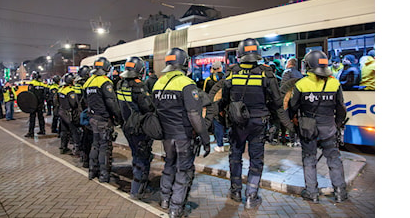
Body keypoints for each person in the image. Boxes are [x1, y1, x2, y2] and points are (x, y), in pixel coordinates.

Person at [219, 38, 293, 209]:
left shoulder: (231, 72)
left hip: (237, 123)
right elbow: (277, 102)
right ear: (258, 53)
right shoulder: (266, 73)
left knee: (235, 157)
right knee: (256, 159)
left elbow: (223, 99)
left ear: (240, 53)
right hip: (259, 122)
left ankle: (235, 191)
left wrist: (222, 118)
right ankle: (251, 196)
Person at [153, 47, 210, 218]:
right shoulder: (186, 83)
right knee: (183, 171)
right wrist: (205, 138)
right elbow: (194, 115)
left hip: (166, 136)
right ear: (184, 63)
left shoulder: (158, 82)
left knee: (169, 165)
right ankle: (176, 208)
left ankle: (164, 199)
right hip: (183, 136)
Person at [290, 50, 348, 203]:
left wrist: (295, 125)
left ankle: (312, 192)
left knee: (309, 160)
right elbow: (341, 108)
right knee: (334, 159)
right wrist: (336, 124)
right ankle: (340, 192)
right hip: (329, 128)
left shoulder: (301, 84)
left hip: (308, 129)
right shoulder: (334, 82)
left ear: (308, 65)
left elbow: (292, 108)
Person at [116, 56, 156, 199]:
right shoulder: (139, 86)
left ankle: (140, 185)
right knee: (142, 157)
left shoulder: (120, 84)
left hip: (127, 126)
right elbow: (148, 107)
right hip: (138, 127)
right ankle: (137, 190)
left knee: (136, 155)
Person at [83, 57, 122, 183]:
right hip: (103, 119)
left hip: (92, 118)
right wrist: (118, 117)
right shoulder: (105, 82)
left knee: (95, 145)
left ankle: (92, 171)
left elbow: (84, 101)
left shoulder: (88, 82)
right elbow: (111, 102)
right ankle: (104, 175)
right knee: (105, 147)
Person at [57, 73, 81, 154]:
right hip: (69, 114)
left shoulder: (61, 90)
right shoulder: (70, 91)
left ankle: (63, 147)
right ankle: (76, 148)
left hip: (62, 112)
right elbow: (74, 103)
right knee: (74, 131)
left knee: (64, 131)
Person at [75, 66, 93, 168]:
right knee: (88, 137)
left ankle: (84, 156)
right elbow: (82, 101)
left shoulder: (79, 84)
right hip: (85, 113)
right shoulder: (85, 84)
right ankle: (86, 158)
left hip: (81, 113)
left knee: (84, 136)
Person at [25, 71, 47, 137]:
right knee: (41, 117)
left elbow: (30, 94)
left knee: (32, 118)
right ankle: (42, 130)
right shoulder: (42, 84)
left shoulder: (32, 84)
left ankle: (31, 132)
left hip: (34, 103)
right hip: (41, 103)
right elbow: (44, 94)